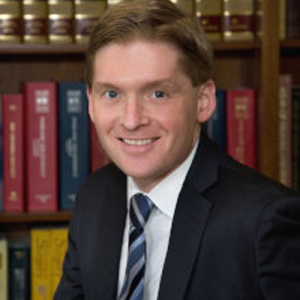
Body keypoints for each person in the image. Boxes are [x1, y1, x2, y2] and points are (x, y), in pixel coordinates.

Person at [54, 0, 300, 299]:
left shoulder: (266, 220)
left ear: (203, 101)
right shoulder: (95, 196)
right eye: (112, 93)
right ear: (90, 103)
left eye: (158, 94)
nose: (132, 120)